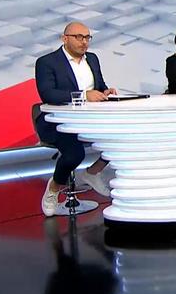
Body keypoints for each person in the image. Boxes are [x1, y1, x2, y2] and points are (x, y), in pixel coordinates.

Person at [35, 22, 116, 217]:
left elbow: (99, 85)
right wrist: (83, 96)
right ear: (65, 38)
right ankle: (54, 188)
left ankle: (92, 172)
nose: (84, 41)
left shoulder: (92, 59)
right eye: (79, 37)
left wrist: (105, 91)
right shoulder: (47, 62)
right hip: (58, 121)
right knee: (74, 154)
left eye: (87, 37)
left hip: (90, 119)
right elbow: (48, 94)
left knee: (123, 137)